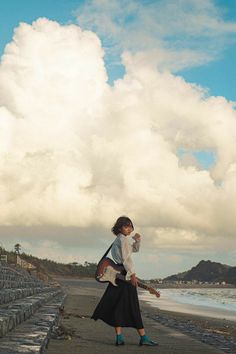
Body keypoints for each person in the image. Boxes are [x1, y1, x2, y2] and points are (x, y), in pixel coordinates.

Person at [91, 216, 158, 346]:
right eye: (126, 226)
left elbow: (135, 250)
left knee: (117, 306)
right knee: (133, 306)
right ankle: (143, 338)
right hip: (124, 273)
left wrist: (137, 240)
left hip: (118, 274)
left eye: (131, 226)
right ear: (119, 227)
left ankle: (119, 337)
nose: (129, 229)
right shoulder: (123, 240)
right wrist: (132, 274)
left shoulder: (121, 240)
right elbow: (127, 259)